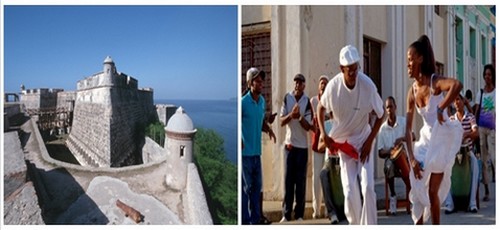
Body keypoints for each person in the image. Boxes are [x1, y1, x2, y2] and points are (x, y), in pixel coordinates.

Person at [317, 45, 385, 225]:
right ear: (342, 69)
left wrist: (370, 141)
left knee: (368, 187)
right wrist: (324, 134)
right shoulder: (333, 87)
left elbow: (381, 114)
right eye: (350, 70)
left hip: (364, 141)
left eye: (356, 68)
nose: (354, 73)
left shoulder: (368, 85)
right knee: (349, 191)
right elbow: (320, 108)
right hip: (344, 145)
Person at [405, 34, 463, 225]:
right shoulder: (412, 92)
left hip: (442, 140)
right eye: (407, 60)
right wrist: (412, 159)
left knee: (432, 192)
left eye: (411, 59)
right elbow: (407, 129)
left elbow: (456, 85)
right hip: (425, 141)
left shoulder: (434, 82)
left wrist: (441, 107)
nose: (408, 64)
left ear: (420, 59)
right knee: (417, 188)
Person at [241, 67, 276, 224]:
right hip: (245, 153)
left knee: (256, 188)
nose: (261, 83)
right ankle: (245, 220)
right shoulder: (243, 103)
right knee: (245, 190)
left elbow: (260, 121)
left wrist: (268, 129)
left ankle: (255, 220)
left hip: (257, 152)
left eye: (262, 81)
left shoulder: (261, 102)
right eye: (258, 81)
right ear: (250, 83)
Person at [279, 73, 313, 222]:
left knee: (300, 182)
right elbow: (281, 121)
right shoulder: (287, 98)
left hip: (302, 148)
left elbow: (308, 127)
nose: (297, 85)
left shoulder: (307, 102)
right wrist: (290, 116)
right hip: (289, 146)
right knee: (288, 181)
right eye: (296, 82)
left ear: (304, 85)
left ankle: (299, 215)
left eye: (300, 83)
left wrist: (299, 117)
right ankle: (286, 215)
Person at [444, 93, 479, 213]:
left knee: (475, 164)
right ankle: (449, 204)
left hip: (468, 152)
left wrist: (466, 135)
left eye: (458, 99)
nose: (457, 102)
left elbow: (476, 132)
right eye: (454, 101)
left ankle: (472, 203)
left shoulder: (470, 117)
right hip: (454, 154)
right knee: (444, 168)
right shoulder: (451, 120)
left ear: (463, 102)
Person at [377, 96, 411, 215]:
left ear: (395, 107)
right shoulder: (382, 129)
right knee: (389, 165)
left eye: (391, 106)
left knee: (404, 163)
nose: (389, 109)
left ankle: (412, 194)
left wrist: (402, 139)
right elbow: (380, 152)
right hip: (390, 160)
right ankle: (393, 196)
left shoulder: (403, 122)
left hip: (403, 159)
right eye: (387, 107)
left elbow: (414, 136)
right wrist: (390, 151)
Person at [309, 74, 329, 219]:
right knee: (316, 177)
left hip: (329, 146)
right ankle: (316, 210)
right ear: (318, 86)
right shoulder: (313, 101)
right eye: (321, 82)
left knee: (328, 177)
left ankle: (329, 209)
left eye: (325, 83)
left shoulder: (332, 102)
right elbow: (310, 122)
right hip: (317, 145)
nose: (323, 85)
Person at [475, 64, 495, 201]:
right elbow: (476, 110)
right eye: (485, 74)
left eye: (489, 74)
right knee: (483, 160)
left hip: (493, 128)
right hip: (481, 128)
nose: (487, 77)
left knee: (494, 157)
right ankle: (487, 190)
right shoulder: (480, 93)